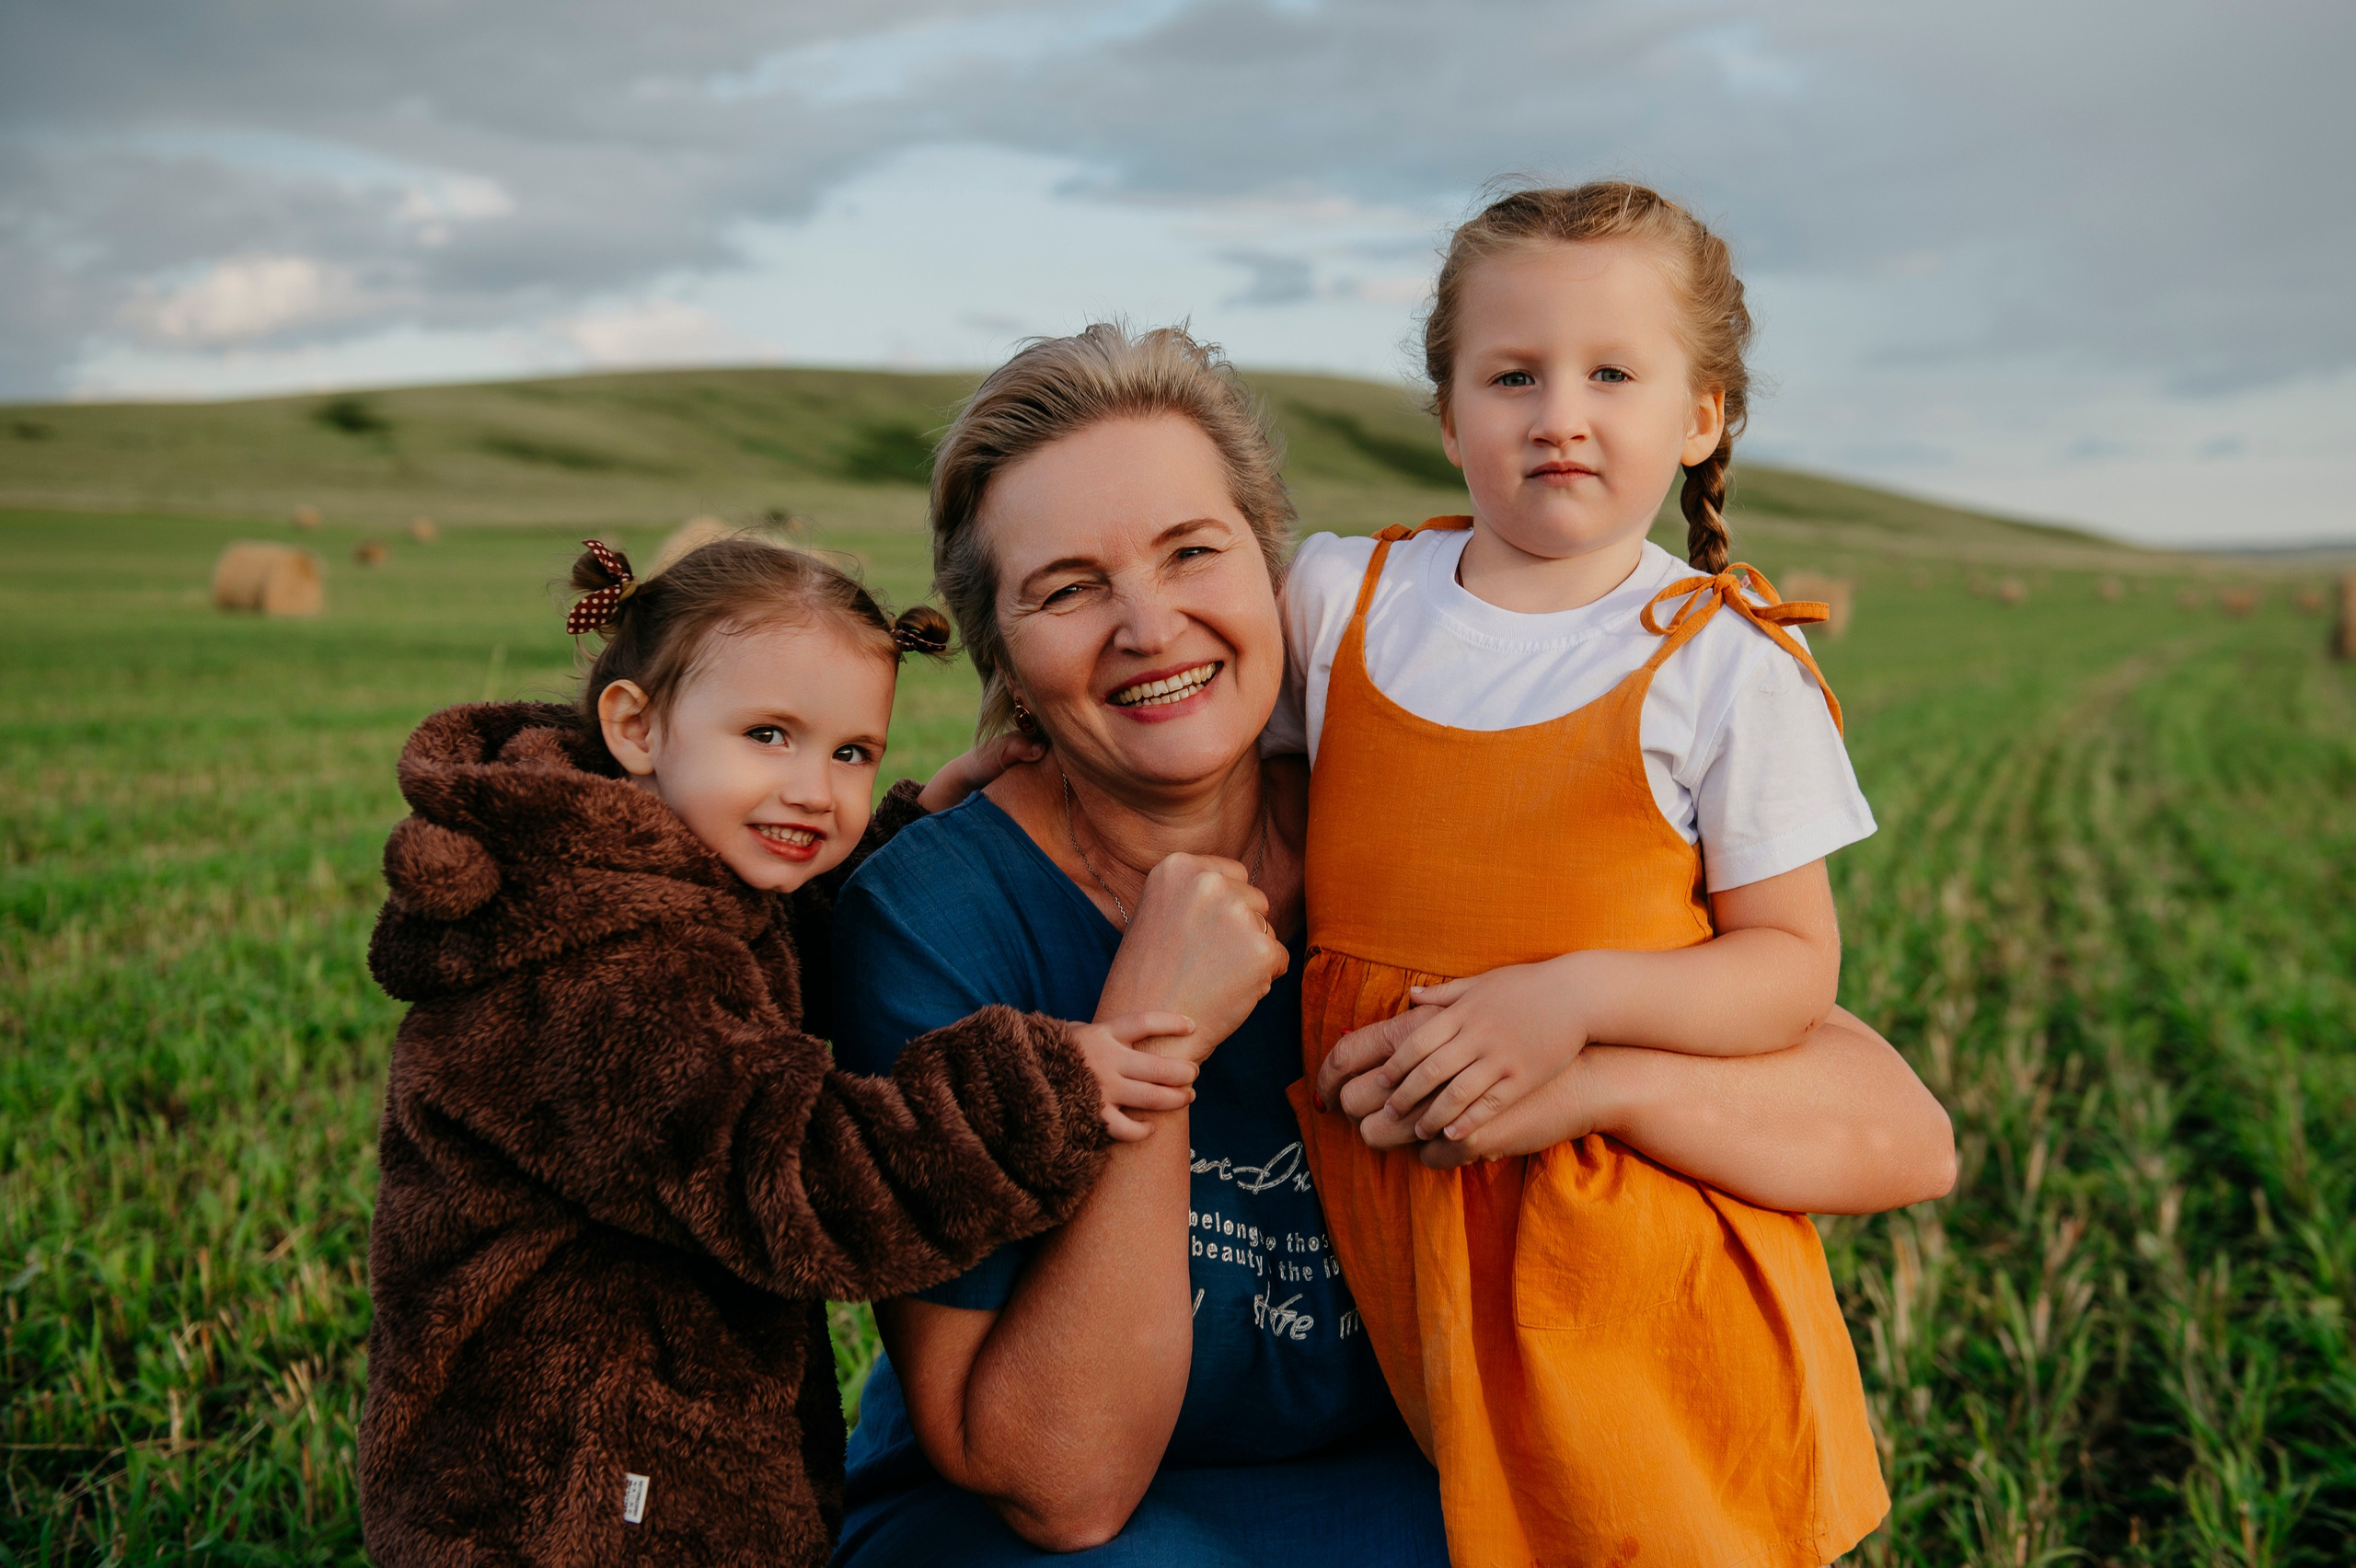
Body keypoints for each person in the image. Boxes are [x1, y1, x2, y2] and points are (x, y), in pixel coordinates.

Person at [829, 323, 1956, 1565]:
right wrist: (1153, 1039)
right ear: (1002, 653)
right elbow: (1060, 1487)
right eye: (1066, 588)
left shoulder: (1413, 831)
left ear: (1276, 577)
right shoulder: (935, 919)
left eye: (1192, 552)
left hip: (1408, 1493)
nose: (1149, 626)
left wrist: (1592, 1076)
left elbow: (1900, 1131)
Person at [358, 537, 1200, 1566]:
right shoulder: (600, 966)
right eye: (770, 735)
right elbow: (791, 1177)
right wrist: (1036, 1093)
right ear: (635, 726)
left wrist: (916, 827)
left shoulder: (644, 880)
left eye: (851, 753)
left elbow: (764, 962)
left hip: (630, 1448)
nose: (814, 790)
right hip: (570, 1496)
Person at [1282, 182, 1886, 1567]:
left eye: (1613, 373)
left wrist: (1566, 1003)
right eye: (1513, 375)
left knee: (1638, 1523)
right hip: (1382, 1204)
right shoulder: (1340, 599)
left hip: (1620, 1238)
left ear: (1701, 417)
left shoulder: (1724, 661)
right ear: (1449, 417)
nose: (1560, 413)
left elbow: (1792, 969)